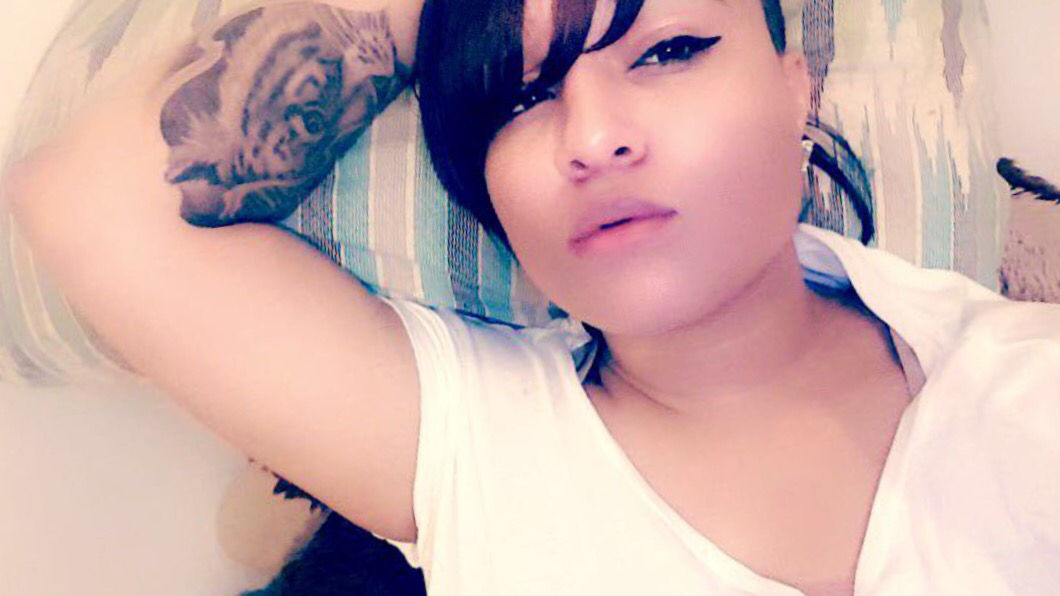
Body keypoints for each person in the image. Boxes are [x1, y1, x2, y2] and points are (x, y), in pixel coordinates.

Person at [3, 0, 1058, 594]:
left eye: (671, 52)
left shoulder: (1027, 382)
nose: (592, 137)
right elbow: (91, 202)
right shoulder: (475, 437)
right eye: (519, 96)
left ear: (797, 88)